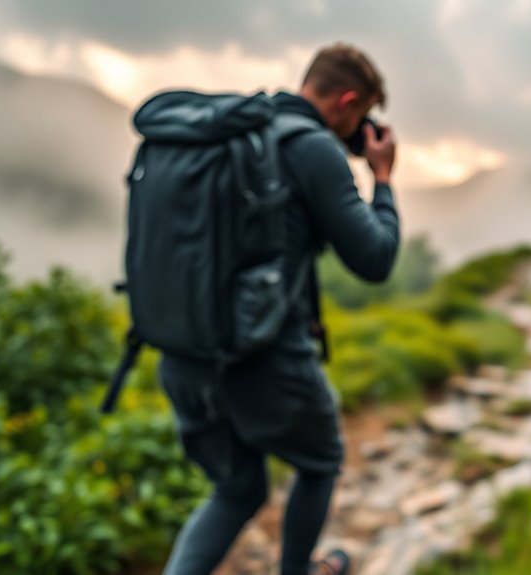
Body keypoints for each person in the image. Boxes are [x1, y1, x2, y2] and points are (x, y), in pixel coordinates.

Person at [157, 44, 399, 575]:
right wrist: (381, 178)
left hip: (181, 353)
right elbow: (376, 258)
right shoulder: (314, 149)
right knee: (321, 460)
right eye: (361, 117)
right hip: (261, 358)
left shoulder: (238, 134)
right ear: (348, 101)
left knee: (237, 488)